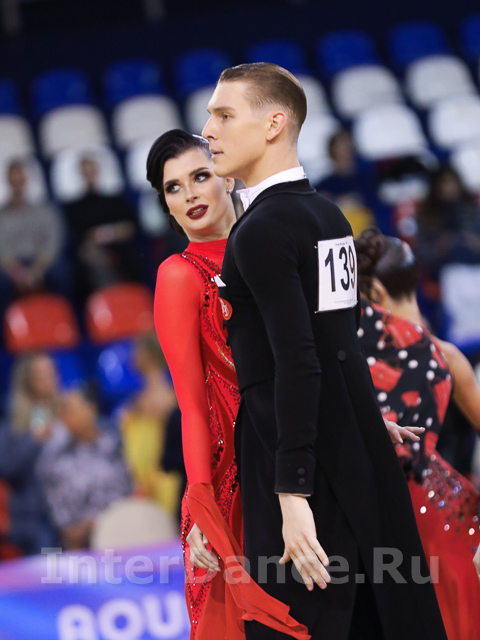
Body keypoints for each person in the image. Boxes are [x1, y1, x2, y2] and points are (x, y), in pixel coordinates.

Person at [202, 62, 447, 639]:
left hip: (295, 464)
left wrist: (291, 492)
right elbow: (339, 344)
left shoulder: (258, 231)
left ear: (273, 124)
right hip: (349, 446)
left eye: (224, 115)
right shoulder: (328, 214)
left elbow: (297, 359)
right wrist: (360, 414)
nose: (208, 130)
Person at [147, 129, 311, 640]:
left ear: (228, 177)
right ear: (166, 205)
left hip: (303, 450)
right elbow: (193, 407)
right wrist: (202, 505)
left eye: (200, 176)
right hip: (230, 479)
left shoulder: (272, 245)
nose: (190, 194)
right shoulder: (179, 276)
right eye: (174, 188)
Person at [356, 227, 480, 640]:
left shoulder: (349, 362)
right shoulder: (445, 353)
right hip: (439, 520)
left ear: (372, 293)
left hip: (405, 525)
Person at [38, 387, 132, 550]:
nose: (65, 417)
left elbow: (127, 488)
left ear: (91, 409)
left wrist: (103, 521)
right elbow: (54, 505)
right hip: (76, 543)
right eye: (62, 412)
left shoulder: (114, 445)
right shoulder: (54, 456)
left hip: (121, 533)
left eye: (71, 410)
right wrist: (77, 530)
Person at [0, 353, 60, 555]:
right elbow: (6, 467)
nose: (50, 379)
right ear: (28, 382)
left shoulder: (68, 411)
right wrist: (34, 441)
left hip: (70, 510)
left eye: (52, 373)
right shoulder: (14, 424)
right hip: (36, 517)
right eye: (42, 375)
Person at [64, 156, 145, 298]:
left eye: (91, 171)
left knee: (134, 257)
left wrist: (108, 234)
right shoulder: (75, 207)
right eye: (86, 172)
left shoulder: (114, 200)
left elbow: (130, 226)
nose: (89, 175)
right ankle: (108, 301)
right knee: (93, 259)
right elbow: (79, 236)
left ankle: (137, 300)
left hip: (119, 246)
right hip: (92, 250)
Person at [120, 331, 182, 515]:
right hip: (143, 479)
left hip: (162, 476)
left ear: (148, 354)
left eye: (137, 350)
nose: (133, 355)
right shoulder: (141, 398)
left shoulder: (163, 396)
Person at [0, 159, 68, 318]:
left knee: (62, 273)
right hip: (11, 266)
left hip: (40, 263)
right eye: (13, 177)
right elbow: (1, 248)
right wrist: (17, 272)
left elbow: (52, 242)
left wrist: (37, 270)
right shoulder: (2, 215)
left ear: (26, 178)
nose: (17, 180)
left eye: (20, 176)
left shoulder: (45, 211)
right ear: (8, 180)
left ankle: (62, 321)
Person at [416, 165, 480, 282]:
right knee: (456, 253)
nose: (450, 187)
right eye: (445, 183)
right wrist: (438, 248)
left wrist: (475, 242)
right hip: (444, 269)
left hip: (474, 264)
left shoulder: (472, 209)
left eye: (453, 182)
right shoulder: (427, 215)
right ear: (436, 187)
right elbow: (421, 252)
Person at [314, 130, 375, 236]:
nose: (345, 153)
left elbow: (373, 206)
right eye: (340, 149)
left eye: (347, 148)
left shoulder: (367, 180)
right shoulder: (324, 185)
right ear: (332, 152)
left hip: (364, 232)